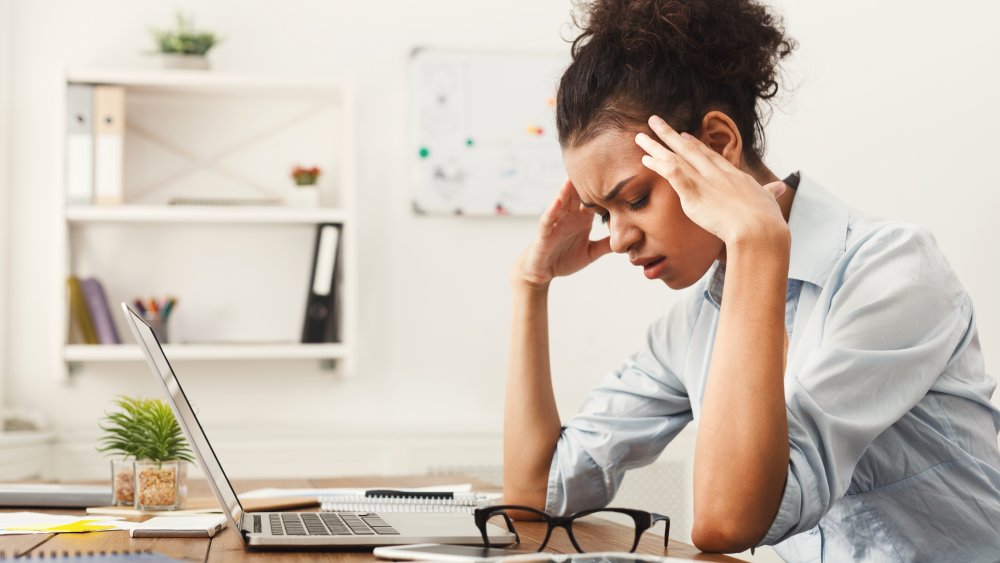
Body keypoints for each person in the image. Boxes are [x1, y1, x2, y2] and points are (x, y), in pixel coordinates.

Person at [501, 0, 1000, 560]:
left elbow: (728, 523)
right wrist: (531, 283)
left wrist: (756, 242)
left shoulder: (894, 271)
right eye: (602, 214)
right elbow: (532, 500)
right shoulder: (691, 327)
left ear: (716, 144)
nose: (617, 239)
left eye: (635, 199)